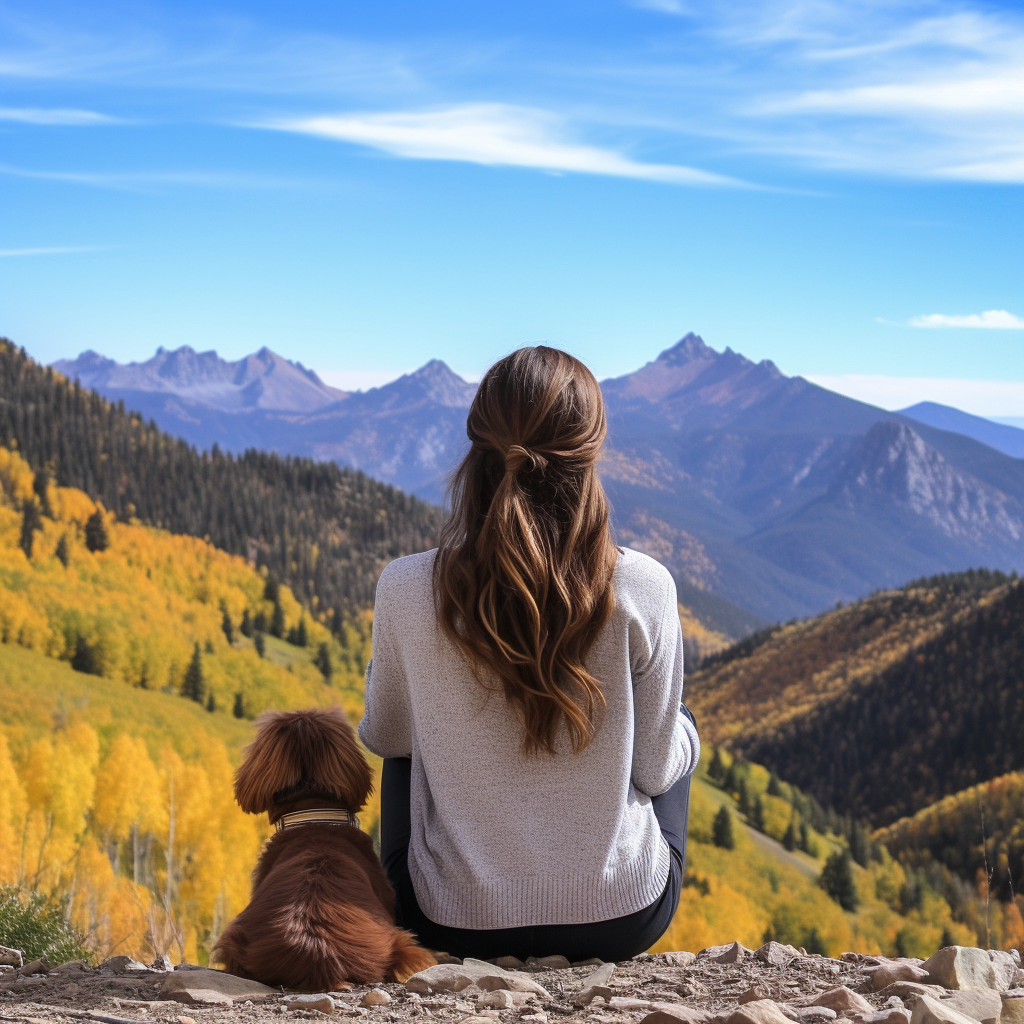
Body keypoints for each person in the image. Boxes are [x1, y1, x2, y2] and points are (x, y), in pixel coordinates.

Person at [359, 346, 699, 962]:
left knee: (410, 737)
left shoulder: (406, 588)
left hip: (446, 919)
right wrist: (686, 738)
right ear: (589, 455)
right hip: (620, 916)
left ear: (477, 449)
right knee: (680, 729)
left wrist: (404, 674)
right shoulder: (645, 586)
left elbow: (385, 736)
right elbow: (653, 772)